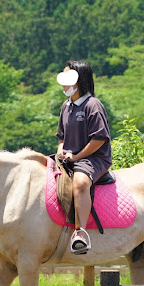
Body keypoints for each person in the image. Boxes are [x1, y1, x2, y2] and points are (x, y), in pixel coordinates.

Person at [55, 60, 112, 255]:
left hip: (94, 158)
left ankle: (81, 233)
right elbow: (61, 137)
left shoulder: (93, 105)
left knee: (79, 183)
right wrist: (62, 151)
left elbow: (99, 140)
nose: (63, 83)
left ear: (80, 80)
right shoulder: (66, 106)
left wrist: (77, 156)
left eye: (68, 78)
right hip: (70, 157)